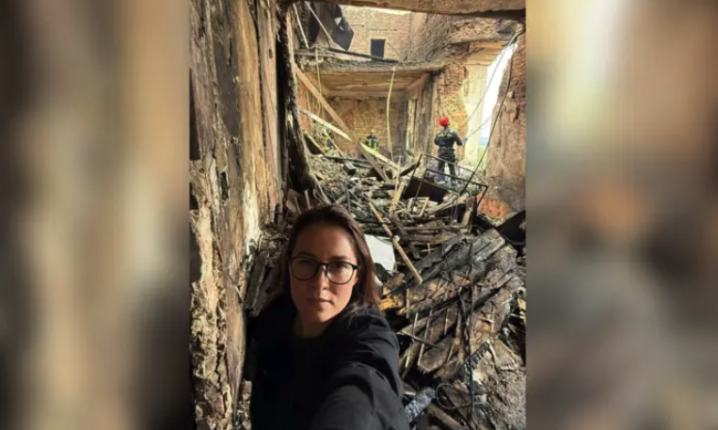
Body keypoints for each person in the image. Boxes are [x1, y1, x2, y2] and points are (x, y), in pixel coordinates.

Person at [248, 205, 410, 430]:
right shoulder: (275, 319)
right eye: (306, 262)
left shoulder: (370, 338)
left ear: (357, 274)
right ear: (289, 265)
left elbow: (365, 387)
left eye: (339, 265)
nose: (320, 283)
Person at [433, 117, 464, 185]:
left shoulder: (439, 133)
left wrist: (442, 141)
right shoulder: (453, 133)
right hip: (450, 153)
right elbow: (460, 143)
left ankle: (441, 180)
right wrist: (462, 141)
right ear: (448, 123)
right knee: (451, 166)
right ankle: (453, 181)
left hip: (441, 153)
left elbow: (436, 142)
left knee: (440, 167)